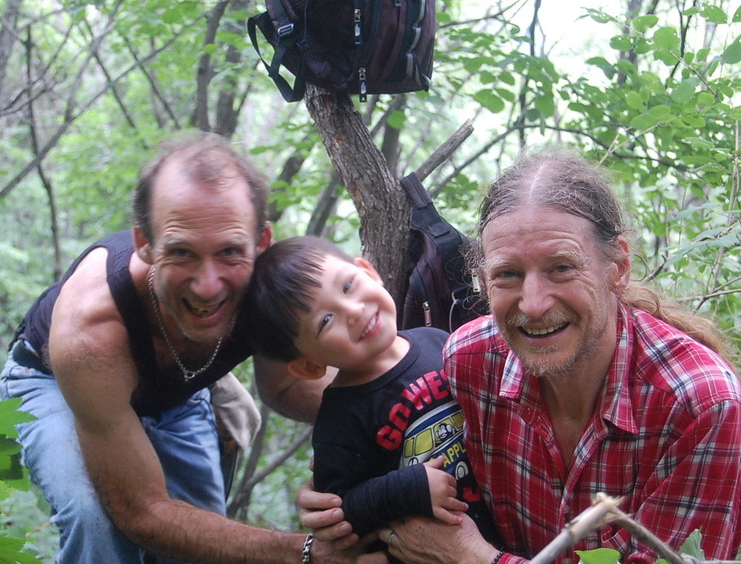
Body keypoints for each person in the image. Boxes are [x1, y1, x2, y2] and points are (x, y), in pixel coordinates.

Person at [298, 148, 741, 564]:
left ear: (618, 266)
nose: (532, 303)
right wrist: (340, 500)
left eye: (561, 268)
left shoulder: (701, 409)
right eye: (507, 274)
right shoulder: (471, 363)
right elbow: (393, 437)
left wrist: (473, 558)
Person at [0, 132, 379, 564]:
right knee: (96, 519)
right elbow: (142, 511)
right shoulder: (92, 330)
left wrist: (394, 426)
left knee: (200, 535)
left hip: (180, 391)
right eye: (181, 253)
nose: (208, 285)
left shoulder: (264, 290)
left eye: (230, 252)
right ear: (145, 244)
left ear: (261, 243)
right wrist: (307, 553)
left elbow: (287, 388)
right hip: (57, 384)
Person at [241, 236, 501, 561]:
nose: (352, 310)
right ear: (309, 365)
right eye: (325, 321)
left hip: (506, 530)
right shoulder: (340, 419)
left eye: (348, 286)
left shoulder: (438, 341)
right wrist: (407, 490)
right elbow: (338, 516)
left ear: (367, 270)